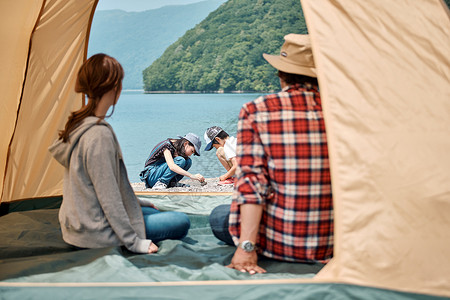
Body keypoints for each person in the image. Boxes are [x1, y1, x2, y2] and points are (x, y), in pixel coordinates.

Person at [209, 34, 333, 274]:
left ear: (281, 74)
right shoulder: (342, 111)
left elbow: (253, 186)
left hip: (279, 243)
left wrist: (246, 249)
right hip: (333, 244)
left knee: (218, 217)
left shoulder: (257, 111)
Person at [49, 54, 190, 254]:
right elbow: (109, 198)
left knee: (148, 209)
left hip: (77, 224)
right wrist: (134, 242)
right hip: (94, 231)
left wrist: (138, 202)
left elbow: (103, 188)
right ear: (114, 86)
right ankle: (131, 232)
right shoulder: (99, 135)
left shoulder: (79, 125)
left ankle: (139, 211)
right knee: (180, 221)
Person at [140, 133, 205, 190]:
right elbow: (172, 166)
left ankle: (171, 183)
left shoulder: (177, 149)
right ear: (186, 144)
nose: (190, 154)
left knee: (188, 161)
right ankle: (161, 183)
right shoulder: (166, 146)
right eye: (192, 151)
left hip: (158, 174)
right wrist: (191, 176)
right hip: (151, 176)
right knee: (181, 160)